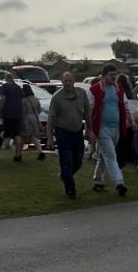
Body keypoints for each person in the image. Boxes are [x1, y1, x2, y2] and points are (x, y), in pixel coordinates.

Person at [46, 71, 91, 199]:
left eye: (70, 80)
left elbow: (88, 113)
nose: (68, 83)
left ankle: (65, 176)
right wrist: (50, 138)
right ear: (61, 82)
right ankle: (70, 189)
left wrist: (89, 130)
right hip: (63, 133)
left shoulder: (82, 94)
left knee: (78, 161)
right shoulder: (57, 98)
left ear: (74, 81)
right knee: (66, 161)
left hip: (77, 132)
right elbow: (50, 119)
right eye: (65, 81)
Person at [89, 63, 129, 197]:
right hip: (102, 128)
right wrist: (89, 129)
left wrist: (131, 120)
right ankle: (119, 183)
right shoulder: (95, 90)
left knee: (103, 155)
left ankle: (98, 181)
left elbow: (125, 105)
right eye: (111, 75)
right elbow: (90, 109)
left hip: (116, 128)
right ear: (104, 76)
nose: (113, 77)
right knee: (111, 156)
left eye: (115, 75)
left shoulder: (119, 88)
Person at [0, 73, 23, 162]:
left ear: (6, 79)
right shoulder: (19, 88)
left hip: (7, 114)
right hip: (18, 115)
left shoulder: (5, 87)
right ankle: (18, 155)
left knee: (0, 134)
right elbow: (22, 102)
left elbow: (2, 100)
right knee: (17, 134)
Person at [20, 83, 45, 160]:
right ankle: (40, 152)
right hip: (35, 119)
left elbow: (23, 112)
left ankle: (19, 153)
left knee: (23, 137)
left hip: (27, 120)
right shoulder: (35, 99)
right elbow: (39, 110)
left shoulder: (23, 101)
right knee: (34, 137)